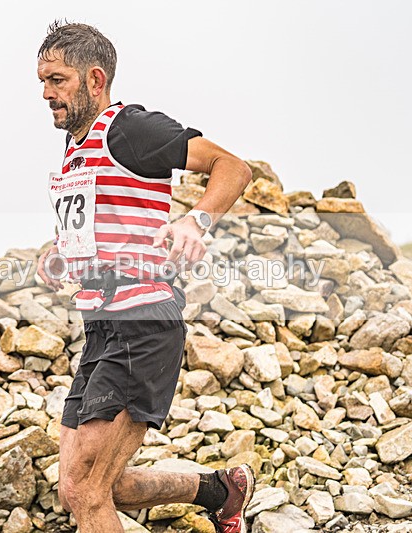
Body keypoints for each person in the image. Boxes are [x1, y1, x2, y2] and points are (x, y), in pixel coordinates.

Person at [35, 20, 255, 533]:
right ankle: (222, 490)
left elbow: (233, 167)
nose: (46, 93)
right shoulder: (76, 146)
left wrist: (196, 219)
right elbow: (107, 224)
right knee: (82, 488)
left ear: (94, 79)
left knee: (89, 491)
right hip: (102, 326)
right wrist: (64, 253)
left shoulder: (129, 129)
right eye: (41, 81)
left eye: (57, 80)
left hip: (144, 321)